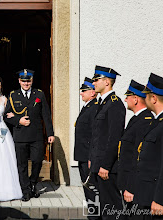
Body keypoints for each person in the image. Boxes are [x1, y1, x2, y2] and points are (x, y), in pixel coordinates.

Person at [4, 69, 55, 202]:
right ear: (19, 81)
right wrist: (18, 121)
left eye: (28, 81)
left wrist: (50, 133)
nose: (26, 83)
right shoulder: (13, 95)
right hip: (20, 136)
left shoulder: (39, 94)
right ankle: (25, 190)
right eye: (24, 81)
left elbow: (46, 115)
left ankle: (33, 183)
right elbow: (6, 116)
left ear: (32, 81)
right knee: (22, 165)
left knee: (38, 160)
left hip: (36, 135)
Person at [90, 65, 126, 219]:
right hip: (99, 163)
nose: (94, 83)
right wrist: (93, 159)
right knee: (104, 206)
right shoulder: (103, 103)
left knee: (112, 207)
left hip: (107, 167)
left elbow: (113, 138)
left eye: (96, 80)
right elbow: (98, 136)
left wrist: (105, 164)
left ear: (107, 82)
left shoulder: (115, 104)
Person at [117, 80, 153, 218]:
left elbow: (137, 158)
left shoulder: (144, 121)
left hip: (134, 186)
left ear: (136, 99)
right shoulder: (136, 119)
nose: (125, 99)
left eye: (128, 96)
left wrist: (130, 187)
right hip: (127, 182)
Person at [134, 73, 163, 219]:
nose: (144, 98)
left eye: (146, 95)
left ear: (153, 98)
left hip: (156, 200)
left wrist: (160, 199)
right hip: (147, 195)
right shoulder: (157, 122)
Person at [74, 77, 98, 219]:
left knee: (91, 189)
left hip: (87, 157)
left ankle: (94, 216)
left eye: (84, 91)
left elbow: (94, 135)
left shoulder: (94, 108)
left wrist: (91, 157)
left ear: (92, 92)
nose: (81, 93)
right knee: (88, 189)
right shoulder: (88, 106)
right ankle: (92, 214)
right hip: (83, 155)